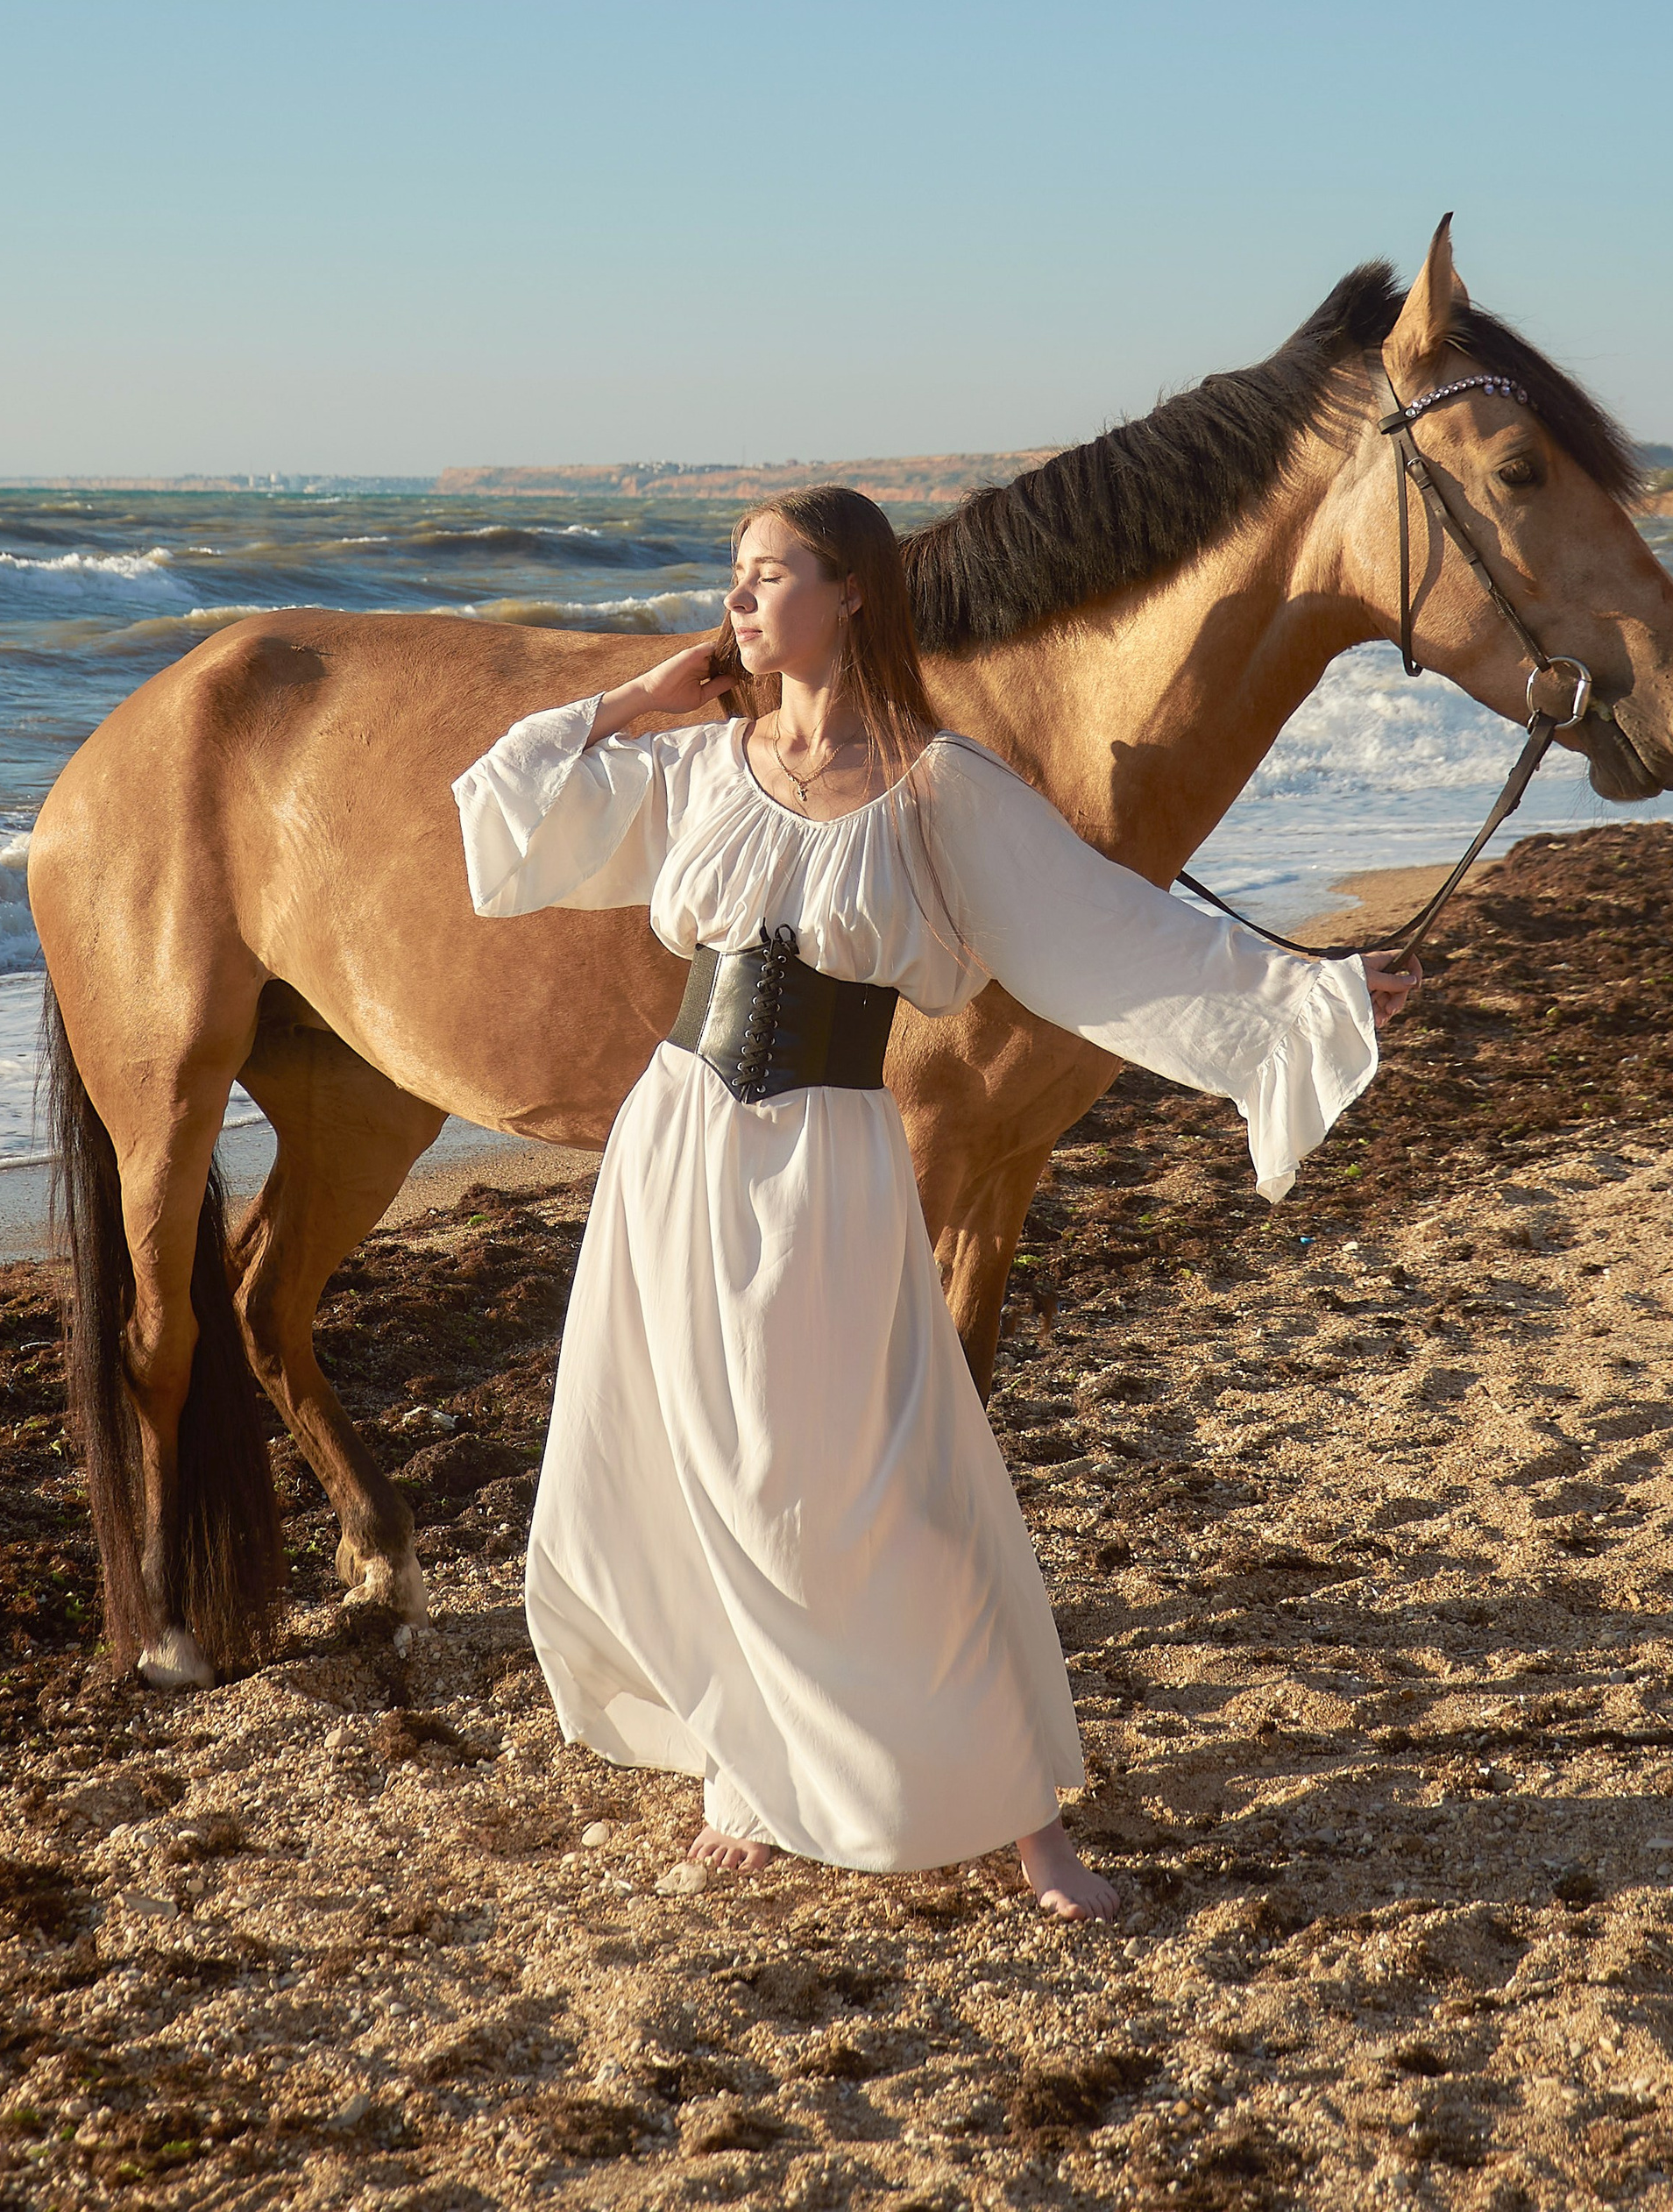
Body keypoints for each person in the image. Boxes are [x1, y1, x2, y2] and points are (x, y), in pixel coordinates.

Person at [453, 486, 1418, 1920]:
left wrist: (1307, 995)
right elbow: (504, 813)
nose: (738, 598)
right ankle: (753, 1772)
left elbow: (1104, 927)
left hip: (825, 1170)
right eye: (732, 575)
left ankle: (1029, 1826)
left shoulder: (938, 789)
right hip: (676, 1148)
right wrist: (633, 699)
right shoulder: (700, 768)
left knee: (876, 1487)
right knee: (697, 1466)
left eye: (768, 573)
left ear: (851, 591)